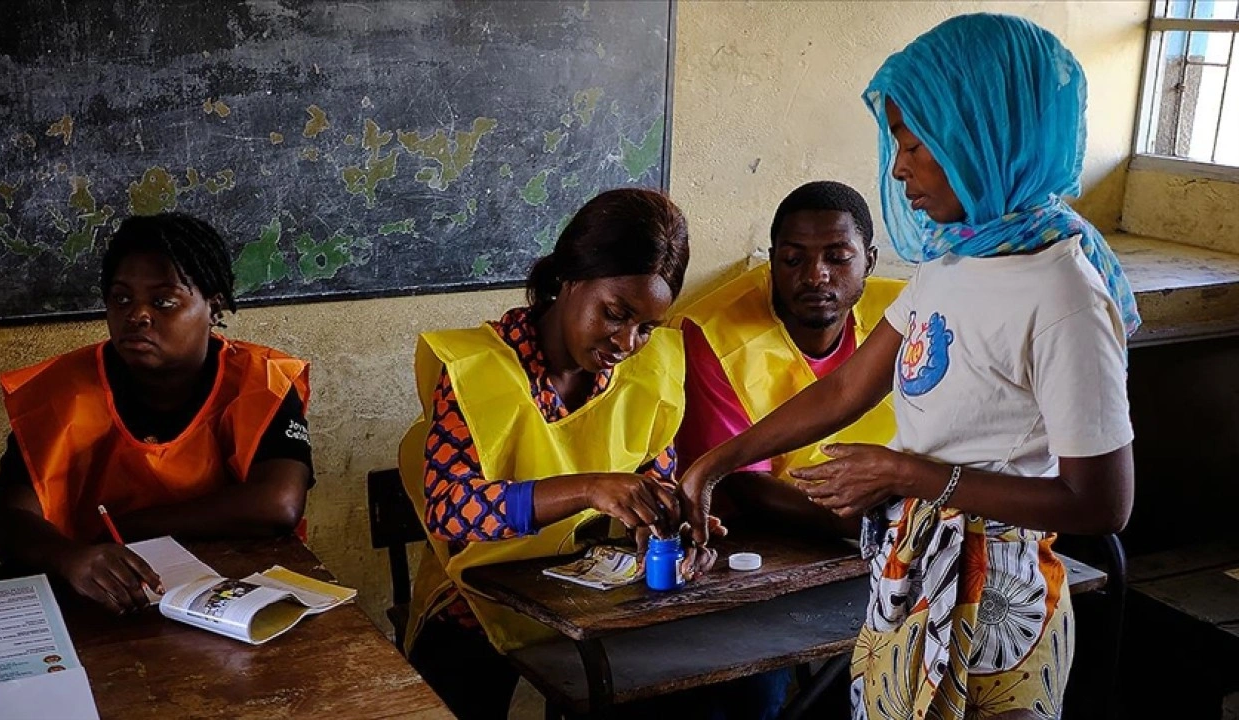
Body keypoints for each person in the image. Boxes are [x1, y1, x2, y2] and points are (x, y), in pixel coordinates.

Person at [676, 14, 1138, 720]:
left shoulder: (1064, 294)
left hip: (999, 598)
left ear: (985, 140)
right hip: (911, 569)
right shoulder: (953, 260)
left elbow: (1103, 503)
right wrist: (714, 464)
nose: (897, 168)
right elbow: (847, 388)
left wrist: (904, 474)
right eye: (897, 142)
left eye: (916, 144)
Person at [398, 188, 701, 720]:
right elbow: (451, 510)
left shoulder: (646, 376)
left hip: (588, 608)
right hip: (475, 609)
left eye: (646, 328)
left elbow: (655, 484)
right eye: (615, 313)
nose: (627, 343)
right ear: (567, 279)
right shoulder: (476, 369)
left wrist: (672, 526)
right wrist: (588, 487)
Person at [0, 213, 314, 615]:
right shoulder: (61, 393)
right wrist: (69, 558)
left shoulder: (260, 382)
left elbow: (278, 502)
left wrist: (128, 528)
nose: (137, 316)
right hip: (102, 601)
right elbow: (4, 524)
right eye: (122, 299)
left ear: (214, 306)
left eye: (163, 301)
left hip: (229, 600)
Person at [672, 181, 903, 720]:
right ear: (772, 262)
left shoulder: (903, 316)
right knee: (755, 689)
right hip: (762, 551)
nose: (816, 276)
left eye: (837, 258)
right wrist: (873, 522)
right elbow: (739, 485)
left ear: (868, 260)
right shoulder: (714, 332)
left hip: (880, 539)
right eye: (793, 259)